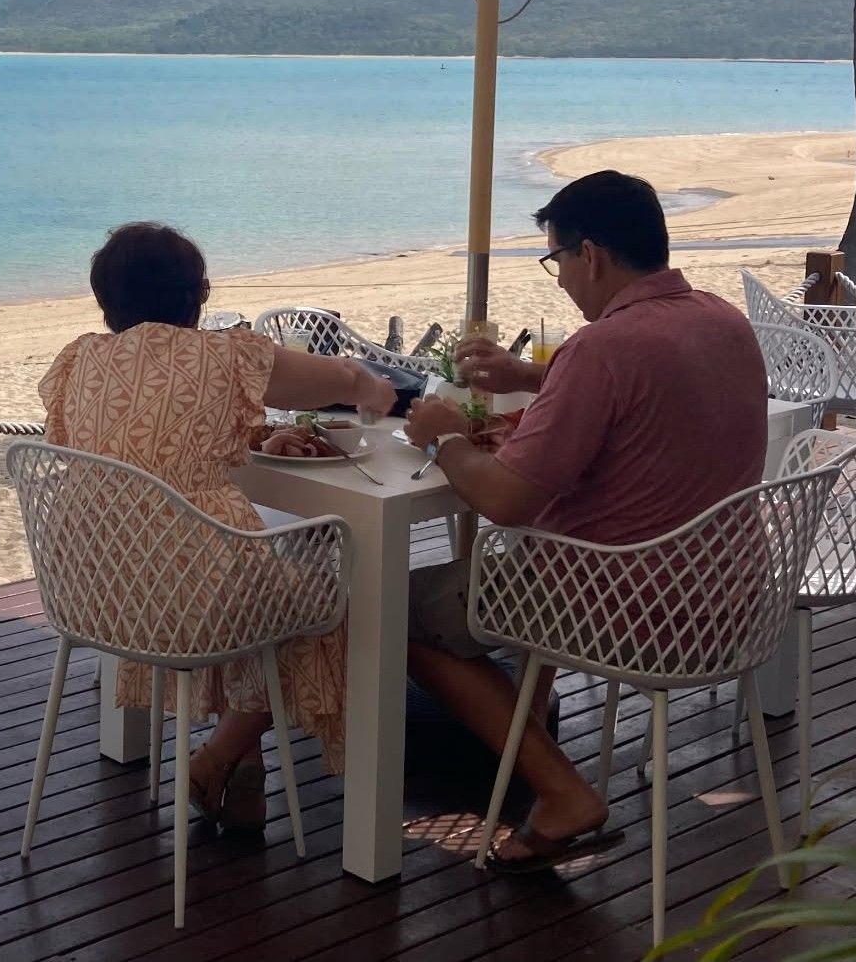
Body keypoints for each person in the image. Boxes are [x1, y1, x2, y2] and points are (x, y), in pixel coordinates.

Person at [403, 170, 766, 872]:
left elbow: (508, 501)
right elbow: (640, 398)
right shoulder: (721, 319)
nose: (561, 280)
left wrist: (443, 437)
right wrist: (531, 375)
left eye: (556, 261)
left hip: (623, 607)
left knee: (394, 608)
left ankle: (561, 789)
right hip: (735, 601)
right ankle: (526, 761)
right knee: (507, 585)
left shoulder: (604, 346)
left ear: (589, 254)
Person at [39, 222, 397, 830]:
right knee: (331, 600)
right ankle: (222, 754)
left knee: (244, 576)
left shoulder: (79, 360)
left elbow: (133, 447)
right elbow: (340, 379)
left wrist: (252, 433)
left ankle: (241, 769)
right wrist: (372, 385)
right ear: (197, 294)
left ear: (104, 300)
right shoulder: (224, 354)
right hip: (190, 596)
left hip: (92, 589)